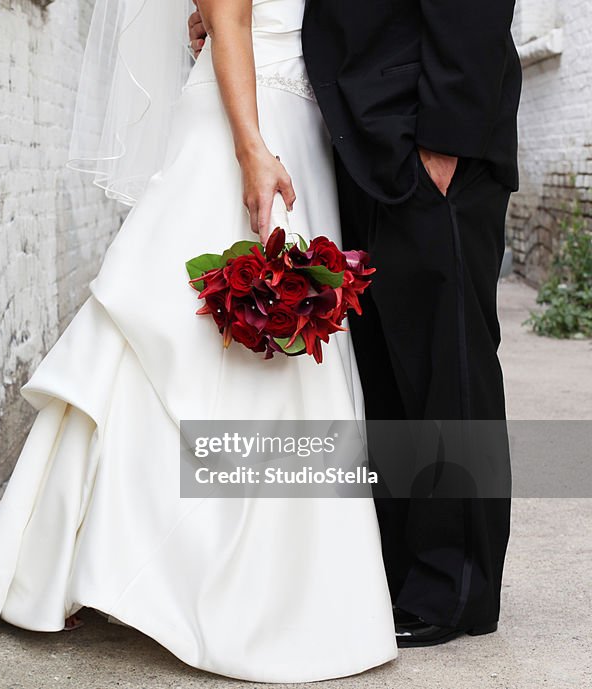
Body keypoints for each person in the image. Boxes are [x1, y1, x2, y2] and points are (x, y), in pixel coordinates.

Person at [0, 0, 399, 682]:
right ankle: (173, 577)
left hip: (287, 110)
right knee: (196, 327)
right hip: (250, 120)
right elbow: (232, 15)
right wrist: (252, 150)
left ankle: (255, 576)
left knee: (259, 336)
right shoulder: (250, 129)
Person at [190, 0, 521, 647]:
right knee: (389, 367)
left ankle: (456, 584)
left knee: (445, 360)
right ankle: (407, 569)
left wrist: (445, 133)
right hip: (363, 135)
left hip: (427, 127)